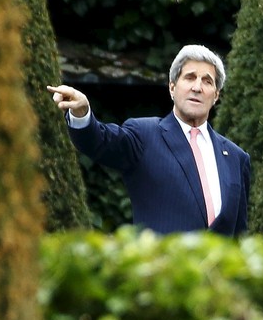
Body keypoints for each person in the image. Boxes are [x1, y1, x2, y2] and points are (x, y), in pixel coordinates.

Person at [47, 44, 250, 236]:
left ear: (216, 95)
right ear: (172, 88)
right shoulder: (145, 134)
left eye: (207, 81)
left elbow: (240, 234)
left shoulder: (236, 157)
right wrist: (83, 114)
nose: (197, 87)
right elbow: (100, 141)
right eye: (190, 77)